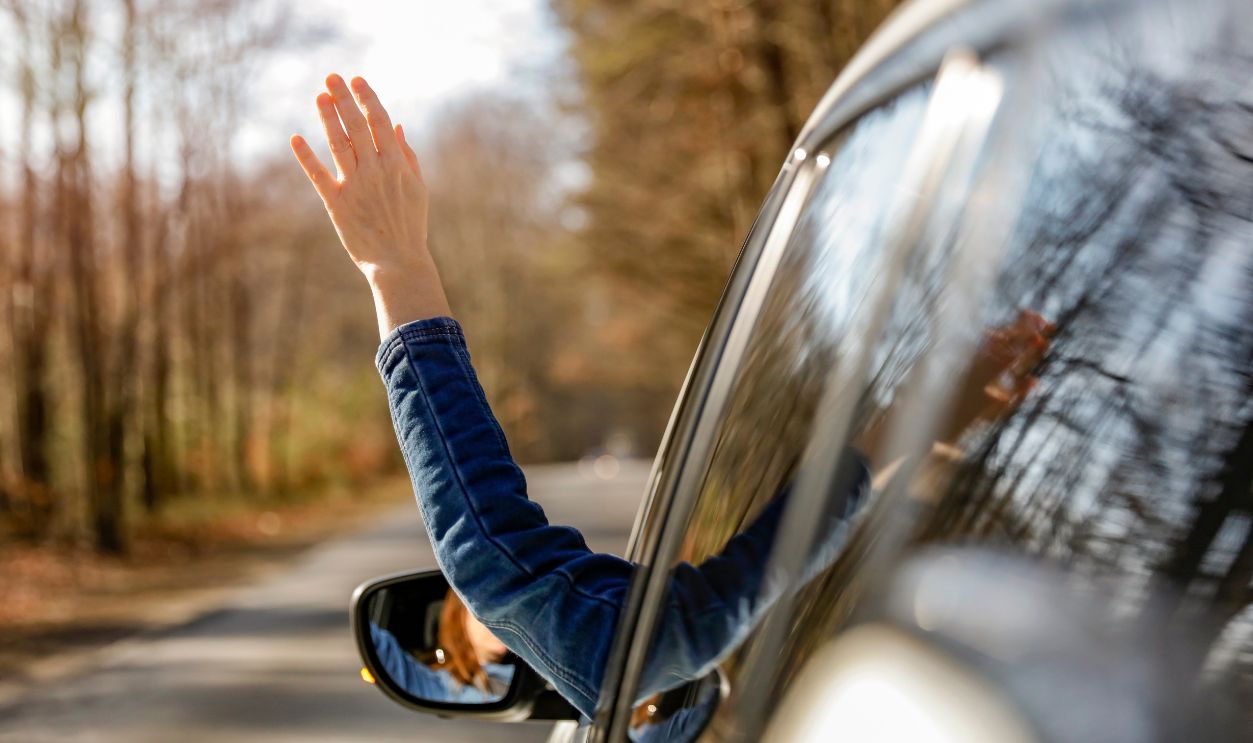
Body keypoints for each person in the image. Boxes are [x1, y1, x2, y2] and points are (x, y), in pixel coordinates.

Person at [289, 74, 1052, 720]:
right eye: (497, 662)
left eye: (505, 647)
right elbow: (502, 576)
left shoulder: (655, 666)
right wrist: (398, 271)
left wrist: (398, 272)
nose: (512, 645)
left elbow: (498, 571)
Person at [370, 588, 515, 703]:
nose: (502, 619)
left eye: (512, 611)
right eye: (488, 609)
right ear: (459, 615)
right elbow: (382, 649)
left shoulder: (531, 672)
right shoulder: (442, 686)